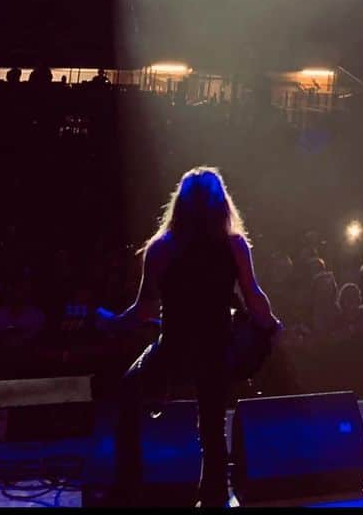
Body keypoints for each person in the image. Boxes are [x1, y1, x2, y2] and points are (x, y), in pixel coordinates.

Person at [105, 166, 281, 507]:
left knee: (127, 393)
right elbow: (253, 296)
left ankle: (128, 488)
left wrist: (113, 323)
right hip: (216, 349)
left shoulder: (162, 247)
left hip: (175, 349)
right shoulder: (233, 245)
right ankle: (214, 498)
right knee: (212, 426)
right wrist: (272, 325)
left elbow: (143, 310)